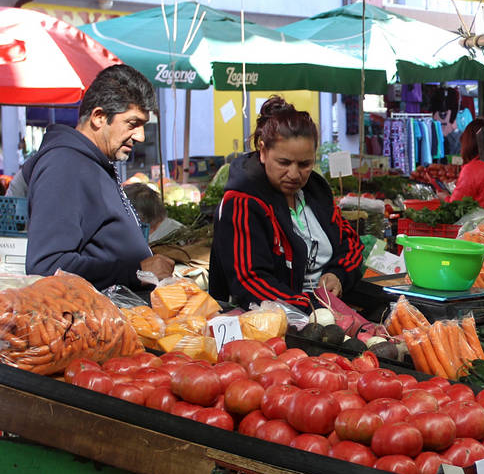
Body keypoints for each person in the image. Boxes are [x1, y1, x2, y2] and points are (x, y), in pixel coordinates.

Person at [24, 64, 174, 289]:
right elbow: (47, 266)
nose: (141, 136)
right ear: (99, 117)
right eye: (133, 124)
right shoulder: (64, 166)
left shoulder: (93, 162)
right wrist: (137, 272)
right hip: (94, 320)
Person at [209, 96, 365, 310]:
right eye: (284, 162)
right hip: (272, 326)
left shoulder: (316, 193)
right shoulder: (242, 203)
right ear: (263, 152)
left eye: (304, 164)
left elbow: (352, 244)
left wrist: (338, 275)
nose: (294, 174)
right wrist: (311, 306)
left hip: (331, 314)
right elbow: (250, 281)